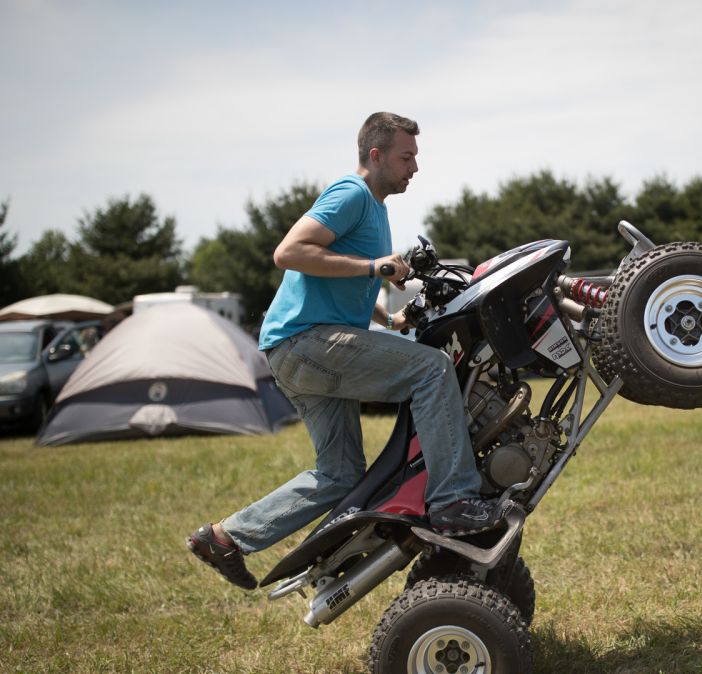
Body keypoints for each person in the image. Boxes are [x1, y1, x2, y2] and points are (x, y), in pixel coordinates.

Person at [188, 112, 503, 591]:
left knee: (338, 474)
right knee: (432, 370)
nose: (414, 167)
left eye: (415, 157)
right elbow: (290, 252)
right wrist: (376, 264)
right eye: (406, 156)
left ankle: (225, 538)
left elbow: (348, 278)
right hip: (306, 342)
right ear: (375, 155)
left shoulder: (374, 207)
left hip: (297, 349)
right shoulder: (352, 193)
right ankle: (454, 502)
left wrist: (389, 319)